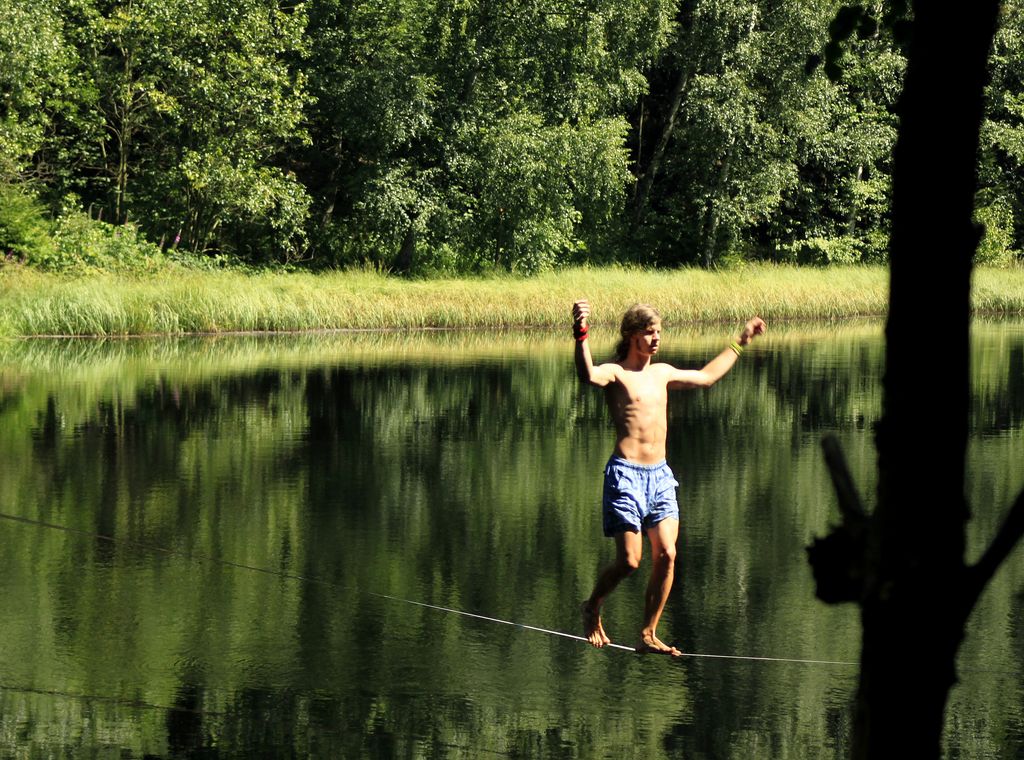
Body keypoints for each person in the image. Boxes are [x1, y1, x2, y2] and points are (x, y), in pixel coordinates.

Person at [572, 299, 766, 656]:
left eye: (659, 332)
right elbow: (588, 374)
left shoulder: (661, 372)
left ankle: (647, 631)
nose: (656, 338)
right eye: (649, 332)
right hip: (626, 476)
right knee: (630, 561)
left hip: (661, 476)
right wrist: (581, 332)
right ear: (632, 336)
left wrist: (742, 341)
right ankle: (592, 606)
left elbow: (706, 377)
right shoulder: (617, 373)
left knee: (668, 555)